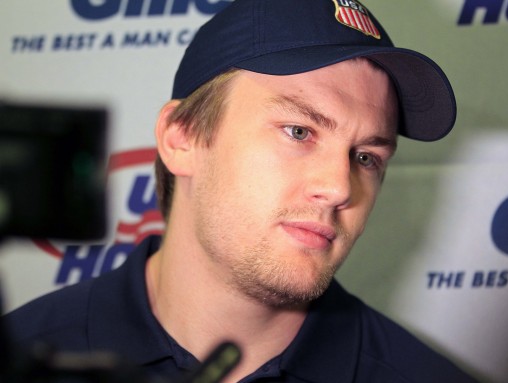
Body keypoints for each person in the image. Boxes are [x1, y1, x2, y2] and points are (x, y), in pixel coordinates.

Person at [3, 0, 476, 382]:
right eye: (298, 131)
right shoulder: (23, 354)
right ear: (181, 137)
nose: (338, 188)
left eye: (366, 157)